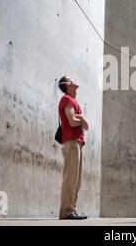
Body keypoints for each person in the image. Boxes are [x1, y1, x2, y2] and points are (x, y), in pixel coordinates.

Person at [57, 76, 89, 220]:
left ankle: (72, 210)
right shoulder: (66, 99)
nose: (75, 80)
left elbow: (86, 126)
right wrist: (81, 118)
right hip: (71, 143)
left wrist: (81, 119)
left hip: (78, 143)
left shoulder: (74, 102)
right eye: (71, 79)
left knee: (77, 180)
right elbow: (72, 121)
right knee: (70, 178)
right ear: (67, 85)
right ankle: (65, 211)